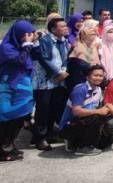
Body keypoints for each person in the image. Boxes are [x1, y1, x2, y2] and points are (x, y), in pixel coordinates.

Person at [31, 17, 69, 151]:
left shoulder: (64, 41)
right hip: (45, 81)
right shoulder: (45, 40)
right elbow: (44, 59)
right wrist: (57, 73)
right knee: (43, 109)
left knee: (54, 107)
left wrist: (63, 71)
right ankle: (39, 138)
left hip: (59, 81)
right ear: (53, 29)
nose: (66, 28)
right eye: (62, 26)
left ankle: (49, 133)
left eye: (66, 26)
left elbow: (65, 58)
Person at [0, 21, 36, 162]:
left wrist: (33, 42)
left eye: (31, 34)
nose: (29, 37)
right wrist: (27, 46)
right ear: (18, 35)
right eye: (26, 35)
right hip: (8, 87)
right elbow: (20, 61)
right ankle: (3, 148)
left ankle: (9, 143)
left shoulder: (24, 46)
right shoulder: (6, 47)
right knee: (5, 117)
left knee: (20, 116)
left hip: (23, 87)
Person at [58, 64, 109, 155]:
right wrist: (98, 111)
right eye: (95, 75)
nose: (98, 78)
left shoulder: (99, 90)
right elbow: (76, 111)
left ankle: (77, 142)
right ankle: (83, 147)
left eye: (100, 76)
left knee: (103, 143)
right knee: (96, 116)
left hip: (81, 122)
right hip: (67, 127)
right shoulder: (80, 89)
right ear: (88, 77)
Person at [67, 20, 101, 92]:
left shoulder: (93, 47)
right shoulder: (77, 47)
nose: (93, 36)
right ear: (84, 35)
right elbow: (80, 65)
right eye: (91, 34)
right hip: (77, 84)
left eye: (94, 35)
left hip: (90, 85)